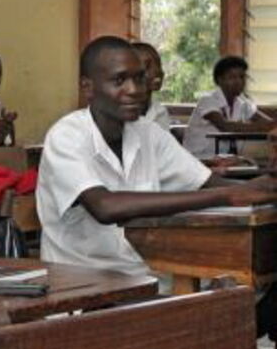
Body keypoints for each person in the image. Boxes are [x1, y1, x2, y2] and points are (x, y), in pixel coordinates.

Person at [37, 36, 277, 277]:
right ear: (87, 87)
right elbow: (105, 207)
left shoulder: (148, 133)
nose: (134, 90)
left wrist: (262, 188)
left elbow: (208, 183)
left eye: (139, 78)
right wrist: (227, 195)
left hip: (146, 273)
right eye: (119, 80)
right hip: (81, 282)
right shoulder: (66, 136)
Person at [182, 55, 274, 160]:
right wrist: (262, 127)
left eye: (242, 77)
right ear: (219, 80)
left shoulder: (243, 104)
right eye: (232, 77)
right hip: (199, 159)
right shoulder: (207, 101)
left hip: (225, 160)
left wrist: (269, 125)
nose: (239, 81)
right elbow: (225, 127)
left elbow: (269, 124)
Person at [131, 42, 170, 131]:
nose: (157, 71)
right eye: (147, 66)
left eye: (158, 64)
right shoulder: (117, 114)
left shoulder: (160, 112)